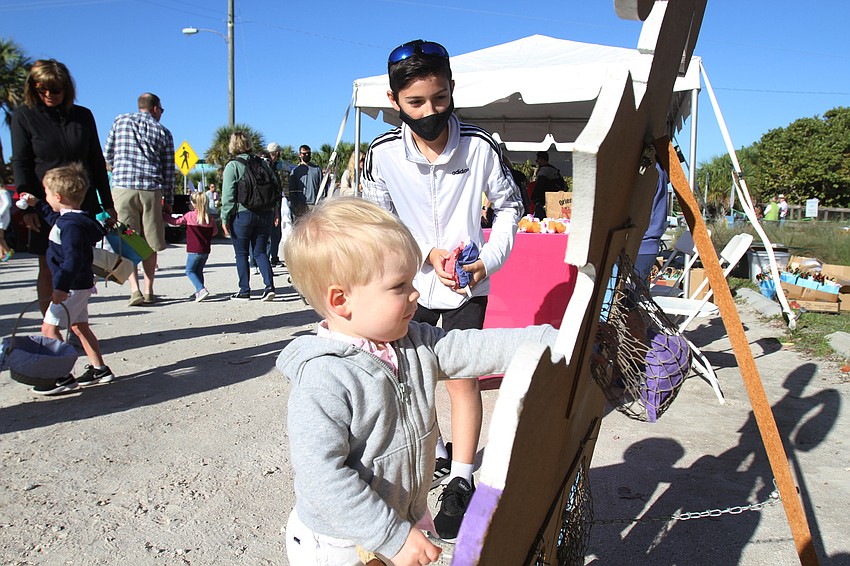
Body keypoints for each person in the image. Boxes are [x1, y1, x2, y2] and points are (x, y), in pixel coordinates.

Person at [278, 197, 556, 563]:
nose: (416, 293)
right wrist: (393, 536)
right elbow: (322, 478)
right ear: (341, 300)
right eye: (399, 286)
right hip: (341, 542)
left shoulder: (413, 342)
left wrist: (553, 337)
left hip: (398, 522)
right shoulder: (323, 378)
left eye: (412, 280)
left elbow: (474, 347)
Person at [361, 39, 524, 541]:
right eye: (415, 103)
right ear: (393, 101)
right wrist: (423, 254)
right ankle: (427, 461)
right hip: (409, 286)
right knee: (411, 380)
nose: (429, 113)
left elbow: (510, 209)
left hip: (466, 288)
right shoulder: (381, 153)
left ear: (452, 90)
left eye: (439, 99)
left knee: (462, 382)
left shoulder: (480, 145)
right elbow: (379, 222)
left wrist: (486, 263)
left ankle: (461, 477)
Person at [11, 59, 114, 314]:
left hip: (81, 203)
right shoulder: (24, 116)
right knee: (48, 265)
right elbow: (21, 162)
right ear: (32, 88)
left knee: (80, 266)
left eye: (55, 89)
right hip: (46, 203)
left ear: (66, 88)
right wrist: (28, 208)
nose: (48, 95)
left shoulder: (83, 116)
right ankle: (51, 330)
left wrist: (107, 204)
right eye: (41, 89)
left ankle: (75, 324)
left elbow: (96, 162)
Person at [19, 163, 114, 395]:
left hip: (70, 286)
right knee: (79, 326)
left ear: (58, 196)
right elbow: (54, 219)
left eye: (47, 194)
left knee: (48, 328)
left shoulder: (70, 226)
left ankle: (61, 376)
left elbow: (71, 260)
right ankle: (99, 369)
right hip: (80, 285)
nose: (46, 197)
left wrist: (60, 287)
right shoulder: (74, 220)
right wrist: (37, 204)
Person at [104, 93, 175, 307]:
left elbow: (108, 154)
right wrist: (169, 200)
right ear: (155, 108)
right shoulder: (163, 132)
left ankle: (134, 289)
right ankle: (148, 289)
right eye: (161, 110)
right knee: (150, 240)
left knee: (128, 238)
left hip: (124, 189)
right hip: (151, 190)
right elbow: (168, 170)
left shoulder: (120, 120)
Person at [220, 131, 276, 302]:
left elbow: (228, 196)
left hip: (243, 214)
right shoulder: (263, 163)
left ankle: (244, 290)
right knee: (260, 252)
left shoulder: (233, 166)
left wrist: (224, 218)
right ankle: (269, 287)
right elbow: (274, 187)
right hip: (265, 213)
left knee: (241, 253)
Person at [174, 191, 218, 302]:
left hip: (194, 250)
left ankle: (201, 289)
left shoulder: (190, 216)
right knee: (199, 271)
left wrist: (164, 216)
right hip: (205, 250)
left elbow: (176, 222)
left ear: (193, 204)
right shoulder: (210, 218)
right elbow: (215, 232)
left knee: (189, 271)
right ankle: (199, 291)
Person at [634, 161, 670, 282]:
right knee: (632, 295)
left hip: (640, 245)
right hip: (644, 245)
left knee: (629, 296)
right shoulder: (656, 170)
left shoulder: (651, 172)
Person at [265, 142, 286, 267]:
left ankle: (274, 257)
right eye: (278, 153)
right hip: (269, 205)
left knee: (276, 234)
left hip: (277, 202)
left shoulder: (275, 167)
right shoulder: (266, 167)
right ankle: (265, 260)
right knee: (268, 235)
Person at [289, 145, 322, 219]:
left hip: (315, 205)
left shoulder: (317, 169)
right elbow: (292, 190)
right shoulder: (295, 171)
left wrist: (320, 203)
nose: (306, 155)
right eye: (304, 154)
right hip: (301, 206)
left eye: (308, 153)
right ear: (300, 154)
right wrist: (296, 205)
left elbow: (322, 188)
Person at [530, 151, 565, 219]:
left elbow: (540, 185)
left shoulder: (544, 170)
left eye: (538, 160)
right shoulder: (554, 170)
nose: (537, 162)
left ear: (541, 159)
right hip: (556, 200)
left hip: (546, 201)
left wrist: (534, 198)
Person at [0, 187, 11, 260]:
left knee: (0, 236)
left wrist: (0, 213)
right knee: (1, 237)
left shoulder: (3, 192)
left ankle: (8, 251)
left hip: (3, 217)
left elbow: (8, 203)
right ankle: (1, 254)